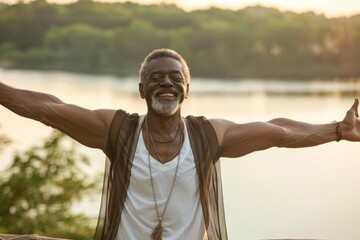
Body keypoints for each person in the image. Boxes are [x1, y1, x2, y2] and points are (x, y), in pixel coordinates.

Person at [0, 48, 359, 240]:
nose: (166, 83)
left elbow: (277, 131)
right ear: (142, 90)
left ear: (187, 88)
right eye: (156, 78)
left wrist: (338, 131)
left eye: (175, 77)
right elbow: (47, 108)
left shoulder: (207, 137)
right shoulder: (118, 131)